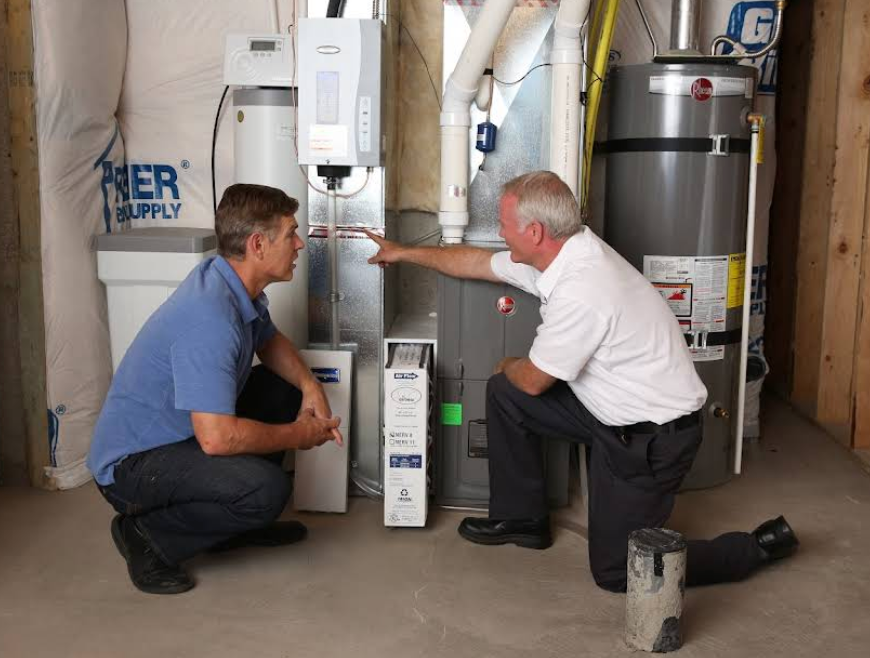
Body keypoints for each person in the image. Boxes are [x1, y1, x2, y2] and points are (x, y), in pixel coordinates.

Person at [366, 171, 798, 592]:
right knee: (505, 396)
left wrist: (506, 364)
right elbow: (479, 262)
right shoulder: (565, 252)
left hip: (651, 440)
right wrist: (401, 253)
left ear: (534, 232)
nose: (499, 232)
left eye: (503, 224)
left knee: (617, 570)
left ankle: (752, 549)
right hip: (608, 410)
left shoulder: (583, 288)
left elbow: (533, 380)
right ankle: (523, 518)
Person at [88, 183, 342, 595]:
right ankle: (146, 535)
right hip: (132, 468)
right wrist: (300, 435)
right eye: (291, 233)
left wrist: (310, 385)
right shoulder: (210, 320)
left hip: (180, 436)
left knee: (283, 389)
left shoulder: (228, 282)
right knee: (266, 491)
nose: (299, 244)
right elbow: (217, 438)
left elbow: (268, 340)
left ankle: (228, 527)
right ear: (259, 244)